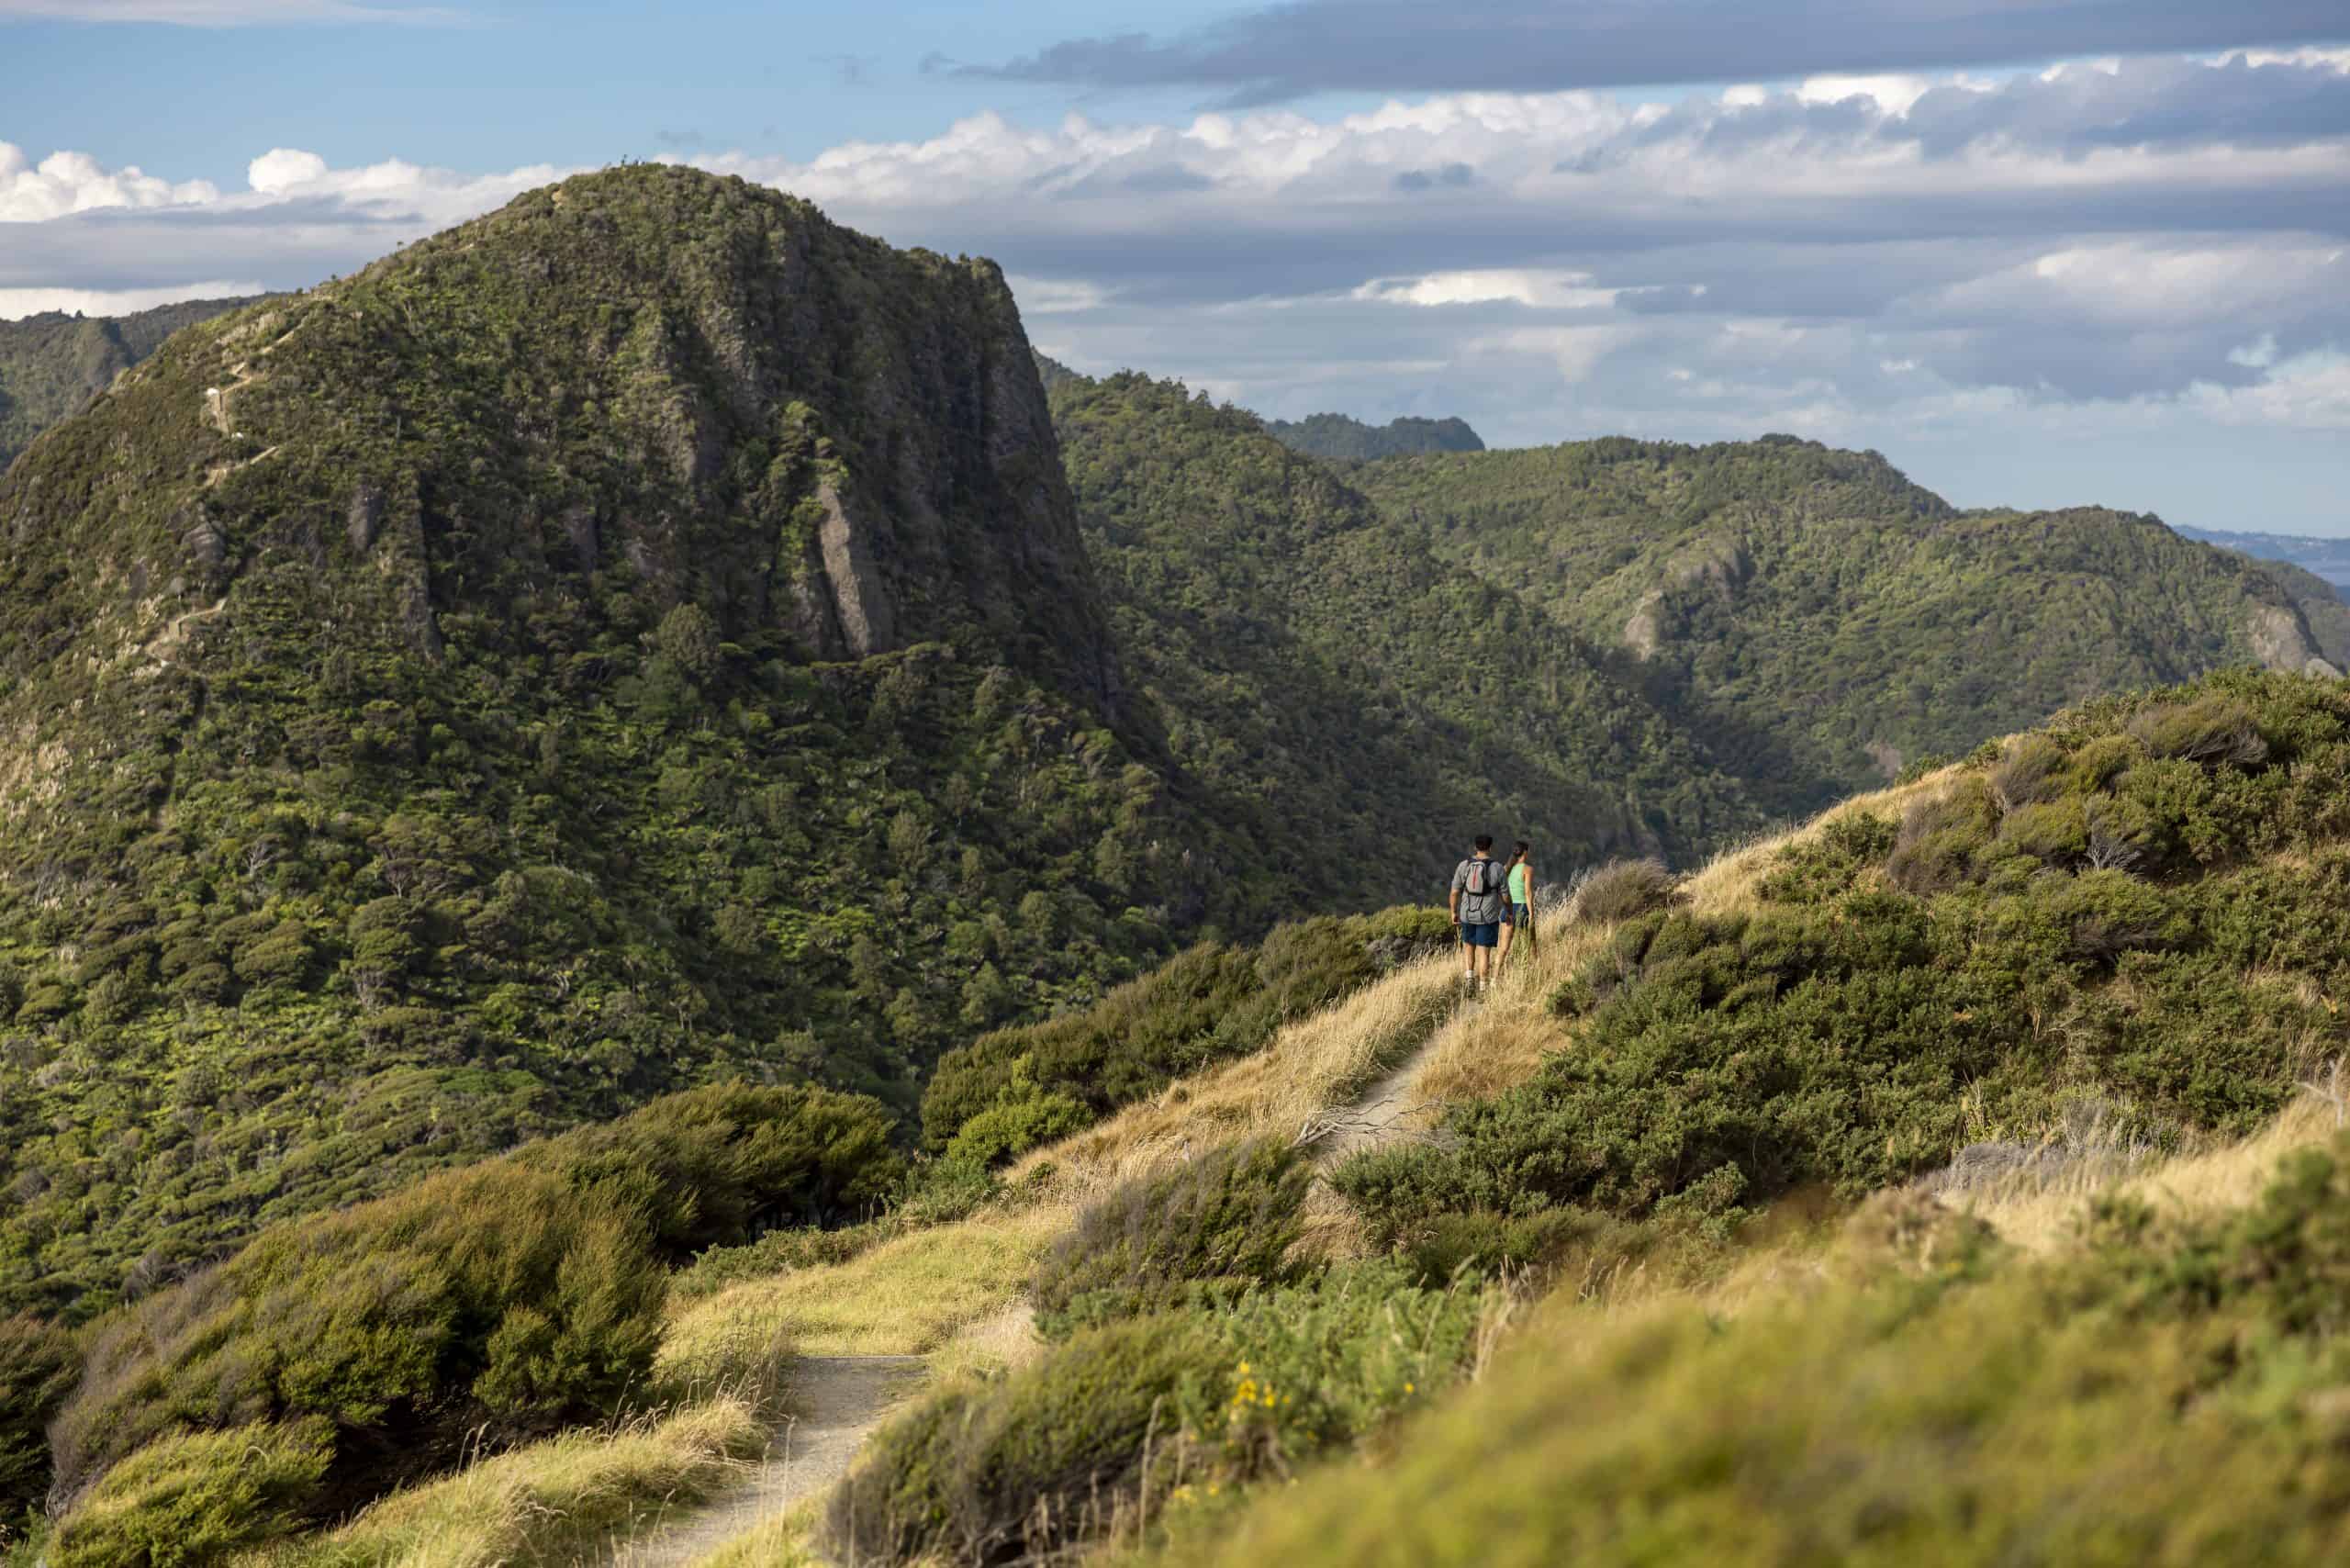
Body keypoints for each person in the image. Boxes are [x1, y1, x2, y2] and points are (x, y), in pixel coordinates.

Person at [1449, 834, 1512, 992]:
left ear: (1475, 847)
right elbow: (1505, 895)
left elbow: (1454, 892)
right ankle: (1483, 988)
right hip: (1487, 916)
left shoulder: (1463, 866)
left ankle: (1469, 980)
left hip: (1467, 913)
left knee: (1469, 947)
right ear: (1490, 848)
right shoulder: (1497, 868)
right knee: (1484, 952)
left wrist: (1453, 912)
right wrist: (1509, 911)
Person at [1497, 841, 1534, 968]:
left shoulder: (1506, 868)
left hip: (1506, 910)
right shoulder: (1527, 869)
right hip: (1521, 908)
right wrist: (1532, 915)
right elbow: (1528, 893)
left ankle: (1494, 979)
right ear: (1525, 852)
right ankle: (1530, 971)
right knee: (1529, 945)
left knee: (1503, 948)